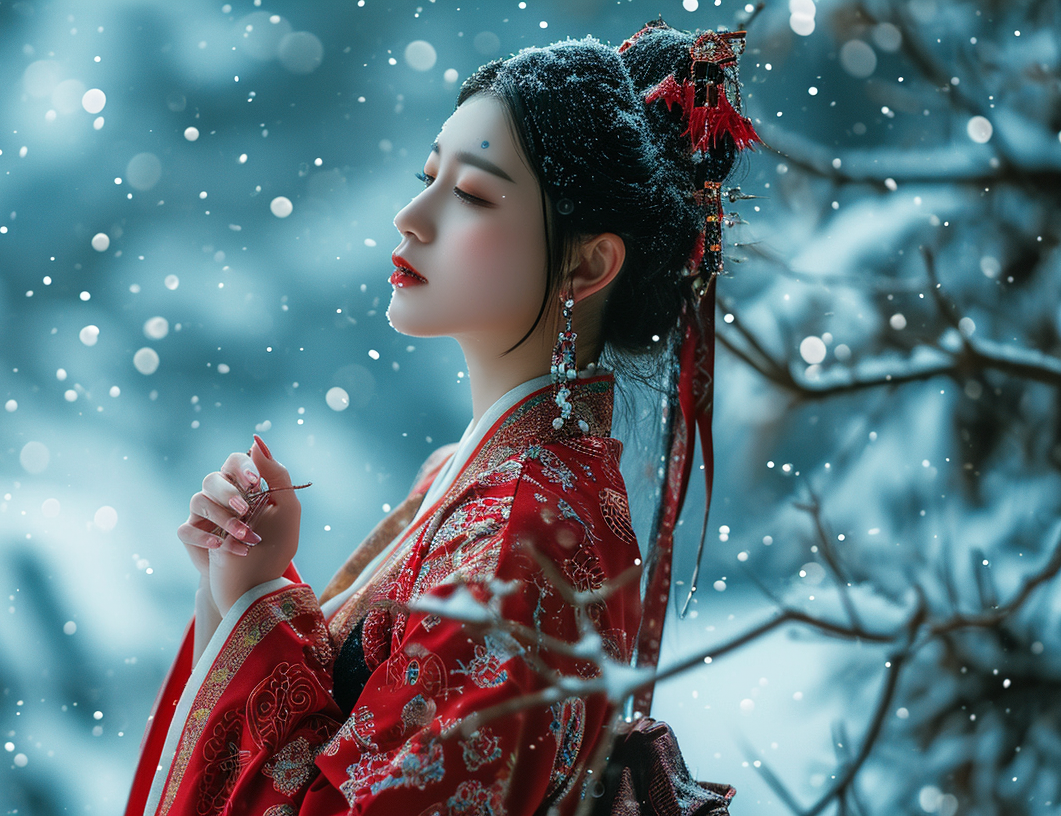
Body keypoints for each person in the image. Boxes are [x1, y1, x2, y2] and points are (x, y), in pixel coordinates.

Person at [125, 16, 758, 815]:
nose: (412, 216)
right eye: (429, 175)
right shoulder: (499, 490)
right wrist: (237, 588)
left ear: (588, 263)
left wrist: (257, 602)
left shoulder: (517, 537)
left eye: (469, 194)